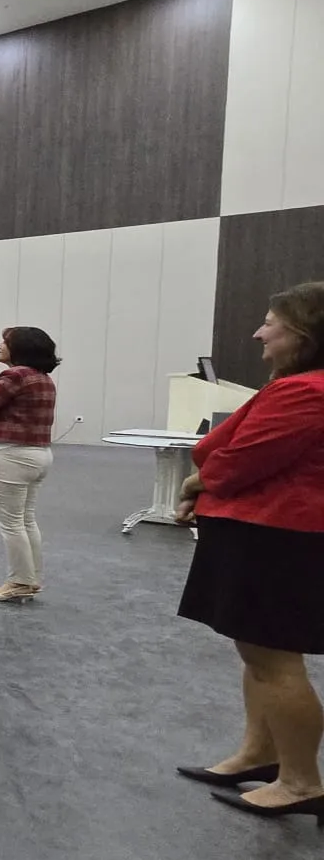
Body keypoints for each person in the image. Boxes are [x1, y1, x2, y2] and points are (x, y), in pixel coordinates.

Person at [172, 282, 324, 821]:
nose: (260, 333)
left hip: (273, 536)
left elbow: (235, 463)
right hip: (262, 531)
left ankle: (302, 780)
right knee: (260, 654)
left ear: (302, 335)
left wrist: (196, 486)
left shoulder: (305, 393)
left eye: (270, 323)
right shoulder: (296, 386)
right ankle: (260, 754)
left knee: (274, 661)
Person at [0, 327, 59, 603]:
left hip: (11, 456)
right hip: (37, 454)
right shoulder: (42, 378)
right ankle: (31, 579)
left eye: (5, 342)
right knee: (25, 520)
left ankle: (19, 582)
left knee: (10, 524)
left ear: (19, 349)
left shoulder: (14, 375)